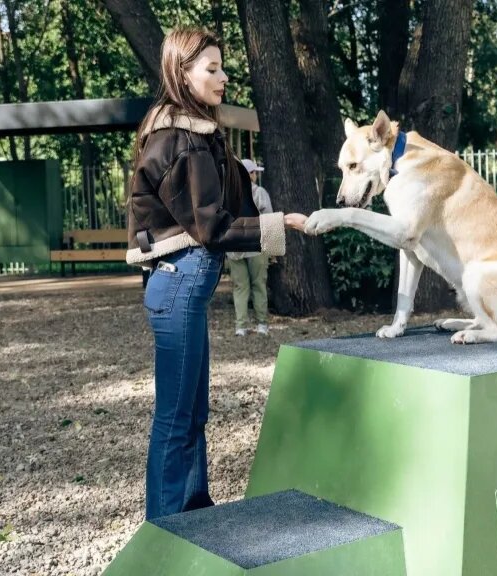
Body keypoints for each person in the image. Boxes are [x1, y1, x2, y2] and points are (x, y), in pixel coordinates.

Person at [125, 27, 307, 520]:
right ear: (181, 73)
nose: (223, 77)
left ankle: (193, 514)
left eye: (222, 67)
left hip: (183, 284)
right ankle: (165, 531)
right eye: (212, 69)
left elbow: (230, 200)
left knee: (192, 413)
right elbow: (211, 226)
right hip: (178, 281)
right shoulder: (180, 141)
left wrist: (277, 216)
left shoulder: (196, 135)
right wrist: (275, 226)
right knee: (177, 417)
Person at [227, 159, 272, 336]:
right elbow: (269, 218)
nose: (256, 175)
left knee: (240, 287)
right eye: (254, 172)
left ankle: (241, 326)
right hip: (256, 245)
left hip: (234, 247)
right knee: (259, 285)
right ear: (250, 174)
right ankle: (262, 324)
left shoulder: (229, 195)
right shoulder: (259, 192)